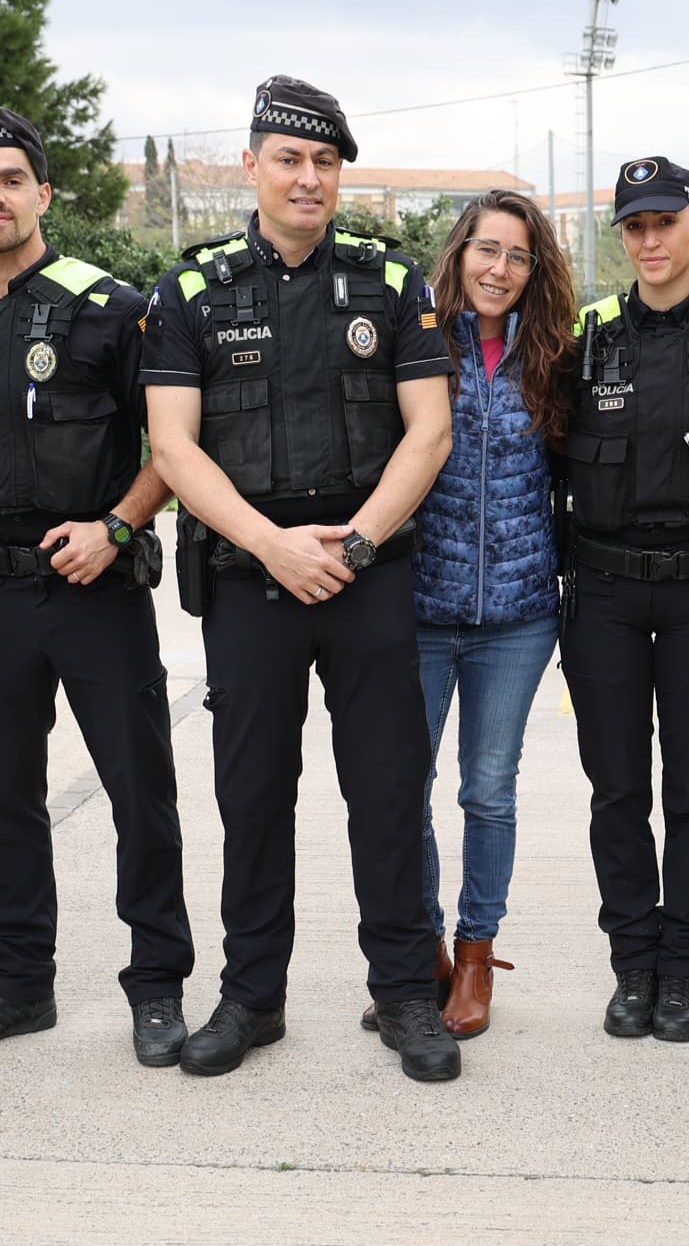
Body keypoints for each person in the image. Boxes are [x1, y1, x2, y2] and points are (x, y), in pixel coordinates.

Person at [142, 76, 459, 1081]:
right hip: (250, 581)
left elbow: (430, 429)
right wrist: (277, 547)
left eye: (325, 161)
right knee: (252, 797)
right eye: (290, 158)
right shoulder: (189, 295)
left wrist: (356, 544)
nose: (309, 177)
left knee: (387, 791)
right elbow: (175, 449)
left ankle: (408, 995)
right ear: (252, 166)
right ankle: (251, 999)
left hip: (369, 578)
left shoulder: (392, 284)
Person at [0, 108, 194, 1067]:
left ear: (43, 192)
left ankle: (157, 982)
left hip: (96, 591)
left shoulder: (109, 309)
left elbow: (177, 447)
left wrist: (117, 524)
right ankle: (17, 984)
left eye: (9, 179)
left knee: (138, 792)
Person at [559, 156, 689, 1043]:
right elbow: (541, 454)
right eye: (633, 228)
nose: (649, 241)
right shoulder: (588, 335)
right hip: (601, 594)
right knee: (615, 792)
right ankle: (630, 964)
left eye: (663, 223)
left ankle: (682, 969)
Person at [391, 188, 574, 1039]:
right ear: (459, 254)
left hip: (517, 615)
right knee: (405, 787)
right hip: (421, 608)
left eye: (518, 255)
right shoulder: (417, 343)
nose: (499, 269)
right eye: (486, 250)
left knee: (488, 791)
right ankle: (419, 950)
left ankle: (474, 955)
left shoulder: (554, 357)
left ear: (536, 271)